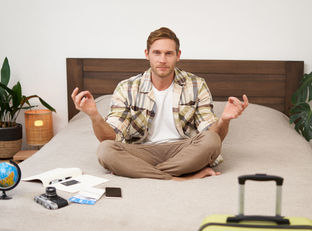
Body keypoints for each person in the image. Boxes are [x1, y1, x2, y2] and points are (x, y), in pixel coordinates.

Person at [71, 27, 248, 181]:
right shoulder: (127, 87)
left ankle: (141, 172)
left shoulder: (196, 84)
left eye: (168, 53)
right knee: (105, 150)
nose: (162, 60)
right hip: (141, 151)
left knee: (212, 141)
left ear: (178, 55)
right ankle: (177, 178)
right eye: (157, 52)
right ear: (147, 54)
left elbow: (211, 134)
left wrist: (224, 120)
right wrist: (94, 116)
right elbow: (110, 138)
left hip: (183, 150)